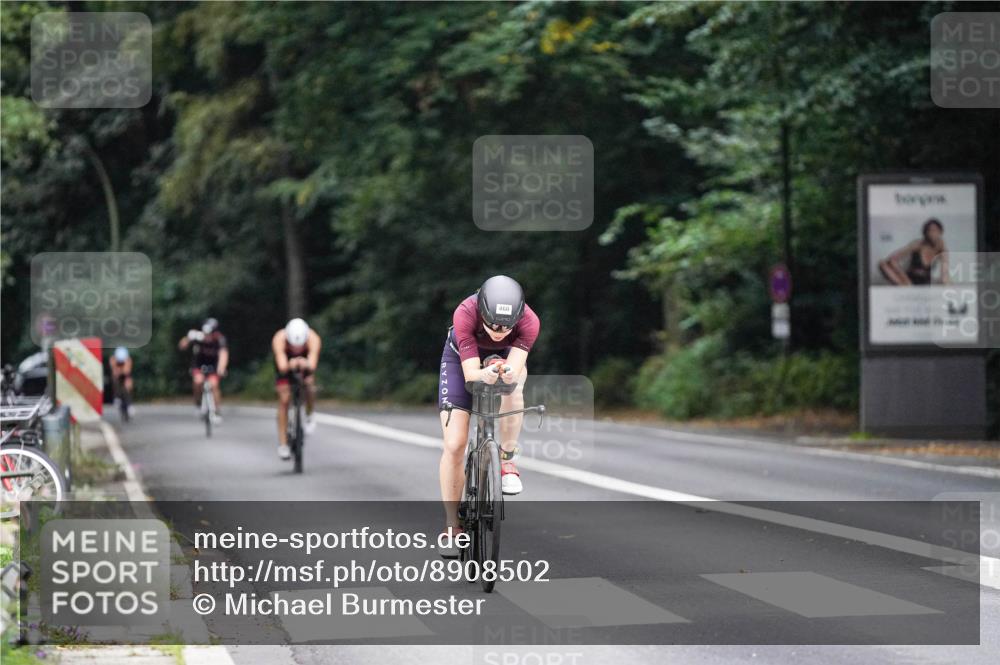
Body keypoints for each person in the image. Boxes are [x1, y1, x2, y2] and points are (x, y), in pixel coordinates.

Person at [436, 275, 540, 556]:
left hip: (505, 358)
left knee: (513, 387)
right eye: (493, 323)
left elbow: (515, 370)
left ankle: (506, 460)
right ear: (481, 310)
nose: (498, 330)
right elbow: (471, 374)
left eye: (506, 326)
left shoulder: (530, 321)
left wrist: (505, 371)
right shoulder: (465, 313)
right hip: (461, 362)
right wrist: (487, 371)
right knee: (455, 444)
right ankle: (451, 526)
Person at [272, 318, 322, 460]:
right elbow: (282, 366)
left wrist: (304, 363)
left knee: (309, 384)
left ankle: (309, 413)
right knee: (284, 399)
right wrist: (290, 364)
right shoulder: (279, 338)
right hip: (285, 366)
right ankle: (283, 444)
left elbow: (312, 365)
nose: (296, 349)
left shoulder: (313, 338)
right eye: (293, 346)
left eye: (299, 346)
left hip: (305, 365)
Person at [178, 317, 229, 424]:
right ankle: (197, 403)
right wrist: (188, 338)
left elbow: (223, 354)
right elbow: (182, 346)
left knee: (214, 385)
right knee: (198, 382)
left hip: (214, 366)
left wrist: (221, 368)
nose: (207, 337)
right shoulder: (198, 337)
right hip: (199, 364)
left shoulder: (219, 339)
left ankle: (216, 411)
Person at [878, 218, 949, 286]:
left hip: (924, 281)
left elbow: (944, 274)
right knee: (882, 263)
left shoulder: (942, 249)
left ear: (940, 232)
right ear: (925, 233)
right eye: (929, 230)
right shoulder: (918, 244)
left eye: (935, 230)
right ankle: (906, 285)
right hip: (908, 279)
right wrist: (904, 277)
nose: (932, 233)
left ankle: (905, 286)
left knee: (943, 282)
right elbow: (893, 258)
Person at [110, 347, 134, 417]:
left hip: (126, 375)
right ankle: (117, 397)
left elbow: (127, 371)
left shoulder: (128, 360)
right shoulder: (113, 359)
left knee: (128, 386)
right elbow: (115, 372)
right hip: (118, 376)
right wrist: (118, 371)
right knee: (115, 381)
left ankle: (129, 404)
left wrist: (122, 371)